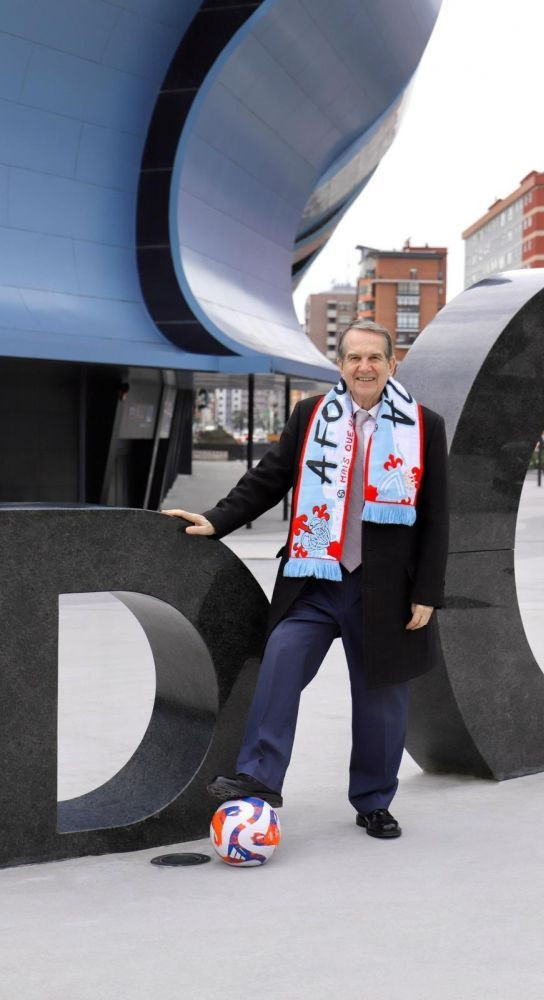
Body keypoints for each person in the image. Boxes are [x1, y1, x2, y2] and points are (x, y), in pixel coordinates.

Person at [162, 320, 448, 839]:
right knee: (281, 660)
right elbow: (268, 478)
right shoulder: (311, 416)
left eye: (374, 359)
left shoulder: (424, 426)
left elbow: (436, 516)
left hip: (385, 589)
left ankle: (373, 801)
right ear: (340, 366)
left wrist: (427, 591)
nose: (364, 367)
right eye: (354, 358)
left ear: (391, 365)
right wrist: (218, 519)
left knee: (380, 700)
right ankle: (261, 776)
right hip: (315, 578)